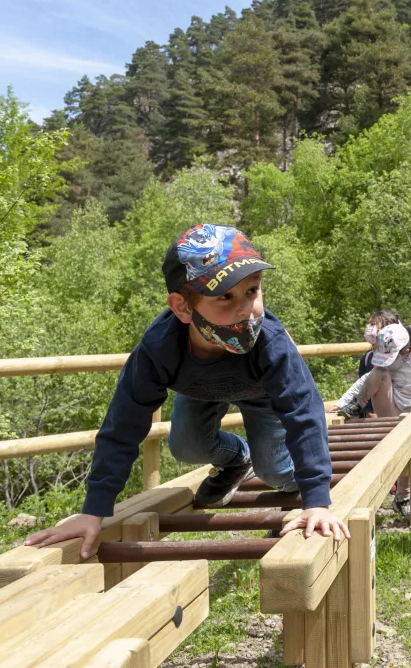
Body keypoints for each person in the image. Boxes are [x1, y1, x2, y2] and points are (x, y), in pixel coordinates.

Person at [24, 224, 349, 557]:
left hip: (264, 394)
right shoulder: (158, 349)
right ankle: (239, 458)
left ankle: (272, 469)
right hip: (199, 386)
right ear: (181, 308)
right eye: (225, 297)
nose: (244, 309)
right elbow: (122, 426)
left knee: (276, 473)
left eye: (252, 291)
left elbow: (304, 414)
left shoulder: (271, 343)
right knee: (184, 447)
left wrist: (317, 502)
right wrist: (94, 510)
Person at [331, 323, 411, 519]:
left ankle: (403, 497)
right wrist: (343, 403)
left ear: (406, 350)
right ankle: (357, 405)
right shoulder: (385, 364)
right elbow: (364, 380)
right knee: (378, 373)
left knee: (408, 456)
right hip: (391, 407)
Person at [358, 310, 403, 418]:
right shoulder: (368, 358)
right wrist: (367, 411)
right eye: (370, 324)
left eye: (374, 324)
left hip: (400, 410)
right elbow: (363, 387)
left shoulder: (402, 356)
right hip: (376, 414)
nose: (369, 328)